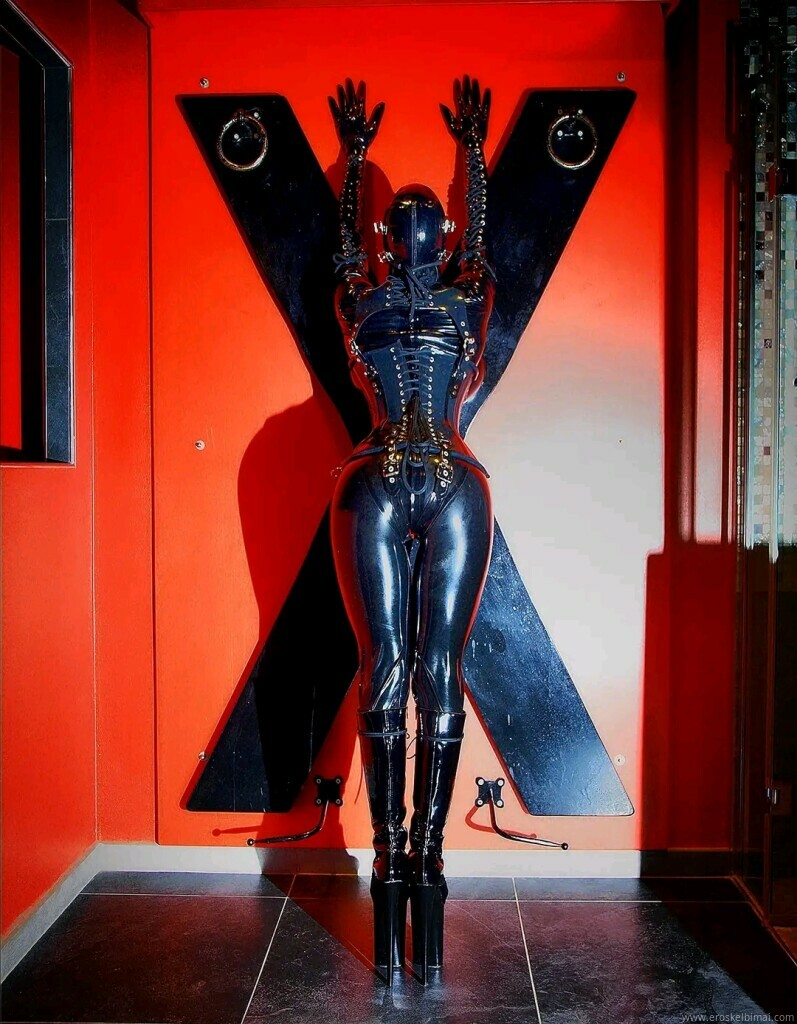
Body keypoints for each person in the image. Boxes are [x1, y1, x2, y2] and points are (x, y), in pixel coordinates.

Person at [329, 76, 494, 985]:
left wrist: (464, 152)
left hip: (413, 476)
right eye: (417, 222)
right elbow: (351, 248)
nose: (424, 231)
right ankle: (403, 852)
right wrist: (364, 160)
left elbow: (477, 237)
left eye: (422, 221)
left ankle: (414, 851)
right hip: (413, 475)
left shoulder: (418, 298)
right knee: (405, 667)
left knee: (418, 668)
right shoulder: (407, 298)